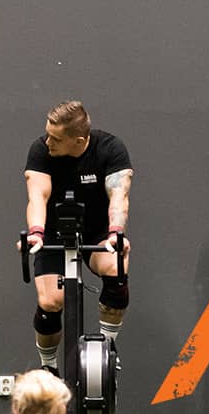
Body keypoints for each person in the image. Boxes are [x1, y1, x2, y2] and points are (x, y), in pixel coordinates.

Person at [21, 101, 133, 375]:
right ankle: (49, 369)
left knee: (115, 266)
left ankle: (107, 350)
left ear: (79, 140)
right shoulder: (40, 150)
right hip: (52, 233)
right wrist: (36, 232)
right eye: (47, 134)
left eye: (56, 138)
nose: (48, 142)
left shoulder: (110, 148)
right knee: (50, 303)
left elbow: (119, 195)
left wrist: (116, 233)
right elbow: (38, 195)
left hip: (97, 232)